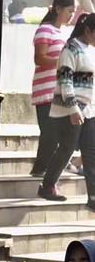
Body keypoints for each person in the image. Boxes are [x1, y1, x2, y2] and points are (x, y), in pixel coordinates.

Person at [40, 13, 95, 207]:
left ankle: (93, 197)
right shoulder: (71, 48)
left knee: (90, 153)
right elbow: (65, 80)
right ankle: (48, 185)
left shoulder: (89, 49)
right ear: (87, 31)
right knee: (66, 149)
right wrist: (72, 108)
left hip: (88, 110)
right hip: (70, 110)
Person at [30, 0, 77, 178]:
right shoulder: (45, 30)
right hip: (46, 90)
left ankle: (52, 168)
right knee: (50, 133)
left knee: (63, 134)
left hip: (63, 90)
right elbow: (39, 58)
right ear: (58, 9)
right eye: (69, 11)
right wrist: (63, 62)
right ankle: (40, 168)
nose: (71, 16)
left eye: (73, 12)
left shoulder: (65, 33)